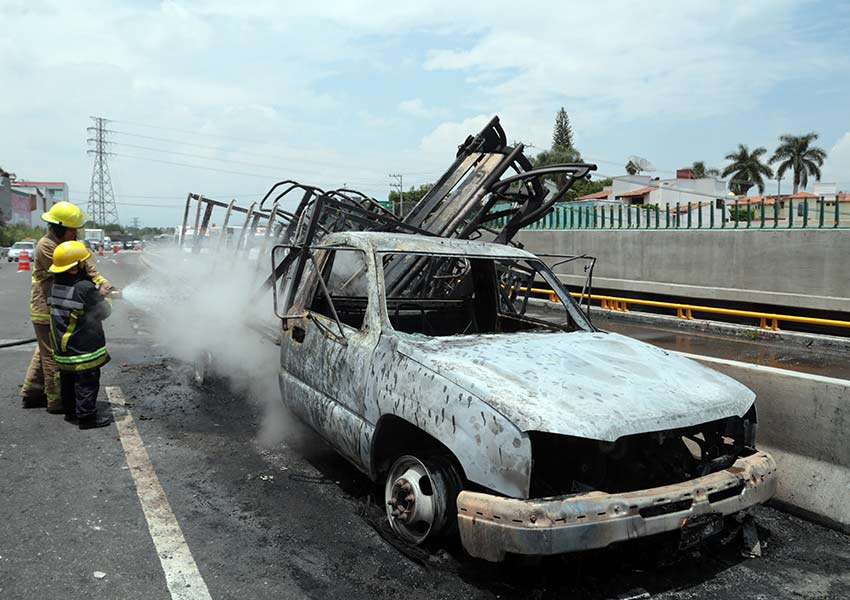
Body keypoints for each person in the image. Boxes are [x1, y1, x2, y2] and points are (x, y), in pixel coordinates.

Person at [20, 201, 112, 413]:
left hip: (60, 304)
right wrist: (95, 292)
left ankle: (32, 393)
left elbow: (84, 264)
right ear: (64, 227)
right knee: (52, 356)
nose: (76, 234)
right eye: (74, 229)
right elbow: (75, 270)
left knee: (44, 350)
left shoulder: (63, 243)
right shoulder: (47, 245)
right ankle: (56, 401)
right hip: (49, 307)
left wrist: (102, 281)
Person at [48, 241, 113, 429]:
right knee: (87, 382)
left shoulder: (55, 285)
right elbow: (103, 312)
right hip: (82, 348)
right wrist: (103, 296)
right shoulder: (84, 287)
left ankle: (71, 412)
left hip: (62, 346)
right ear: (75, 266)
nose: (85, 264)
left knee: (68, 380)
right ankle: (87, 418)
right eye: (83, 262)